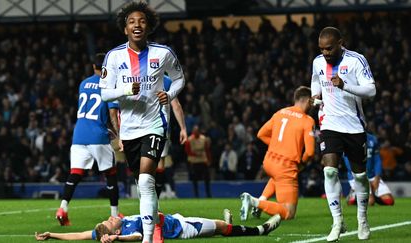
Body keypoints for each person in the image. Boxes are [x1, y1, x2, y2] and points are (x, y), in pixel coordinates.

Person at [99, 2, 185, 242]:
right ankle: (154, 228)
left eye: (142, 21)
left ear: (149, 27)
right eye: (131, 22)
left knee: (147, 180)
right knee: (142, 184)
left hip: (155, 124)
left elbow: (179, 79)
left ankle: (148, 238)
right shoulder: (114, 56)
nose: (137, 25)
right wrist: (125, 89)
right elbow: (105, 93)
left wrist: (169, 95)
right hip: (129, 131)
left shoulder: (163, 53)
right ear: (125, 29)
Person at [311, 26, 376, 241]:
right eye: (322, 49)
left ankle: (362, 219)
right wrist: (315, 95)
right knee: (329, 170)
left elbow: (371, 90)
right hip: (329, 123)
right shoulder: (318, 62)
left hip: (354, 126)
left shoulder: (356, 60)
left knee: (359, 176)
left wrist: (345, 86)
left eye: (329, 48)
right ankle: (337, 221)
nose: (325, 53)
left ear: (341, 42)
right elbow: (315, 79)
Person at [55, 53, 130, 226]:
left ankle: (63, 208)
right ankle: (115, 214)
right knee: (111, 174)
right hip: (97, 135)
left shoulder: (83, 84)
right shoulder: (109, 85)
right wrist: (118, 134)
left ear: (92, 66)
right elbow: (112, 113)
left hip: (79, 134)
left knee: (75, 174)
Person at [240, 86, 315, 221]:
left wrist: (279, 146)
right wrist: (302, 163)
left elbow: (261, 134)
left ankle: (260, 201)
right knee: (288, 213)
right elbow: (310, 152)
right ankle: (253, 202)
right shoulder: (307, 120)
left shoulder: (280, 112)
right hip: (285, 166)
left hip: (269, 162)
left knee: (276, 178)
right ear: (308, 100)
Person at [35, 212, 281, 242]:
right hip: (184, 228)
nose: (111, 218)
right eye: (110, 222)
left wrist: (51, 234)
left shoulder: (121, 223)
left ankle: (228, 223)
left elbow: (78, 235)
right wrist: (119, 240)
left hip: (175, 217)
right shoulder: (129, 230)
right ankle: (261, 231)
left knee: (220, 226)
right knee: (221, 228)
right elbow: (137, 237)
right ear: (116, 231)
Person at [155, 75, 187, 199]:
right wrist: (183, 128)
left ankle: (148, 199)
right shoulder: (167, 81)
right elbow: (176, 106)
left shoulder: (139, 75)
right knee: (160, 163)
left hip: (142, 127)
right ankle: (155, 201)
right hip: (160, 128)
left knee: (144, 164)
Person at [344, 133, 395, 206]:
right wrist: (362, 178)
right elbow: (348, 162)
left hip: (372, 176)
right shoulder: (349, 139)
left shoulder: (372, 139)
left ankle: (363, 194)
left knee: (389, 201)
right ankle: (353, 196)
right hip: (357, 176)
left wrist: (377, 177)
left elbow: (377, 160)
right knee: (370, 201)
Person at [185, 125, 212, 197]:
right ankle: (196, 195)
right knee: (195, 180)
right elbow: (188, 151)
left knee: (207, 178)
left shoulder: (204, 139)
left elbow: (207, 150)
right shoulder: (189, 140)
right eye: (195, 131)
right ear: (193, 131)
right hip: (194, 162)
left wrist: (209, 160)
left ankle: (208, 194)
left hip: (203, 161)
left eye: (197, 130)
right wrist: (196, 154)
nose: (196, 132)